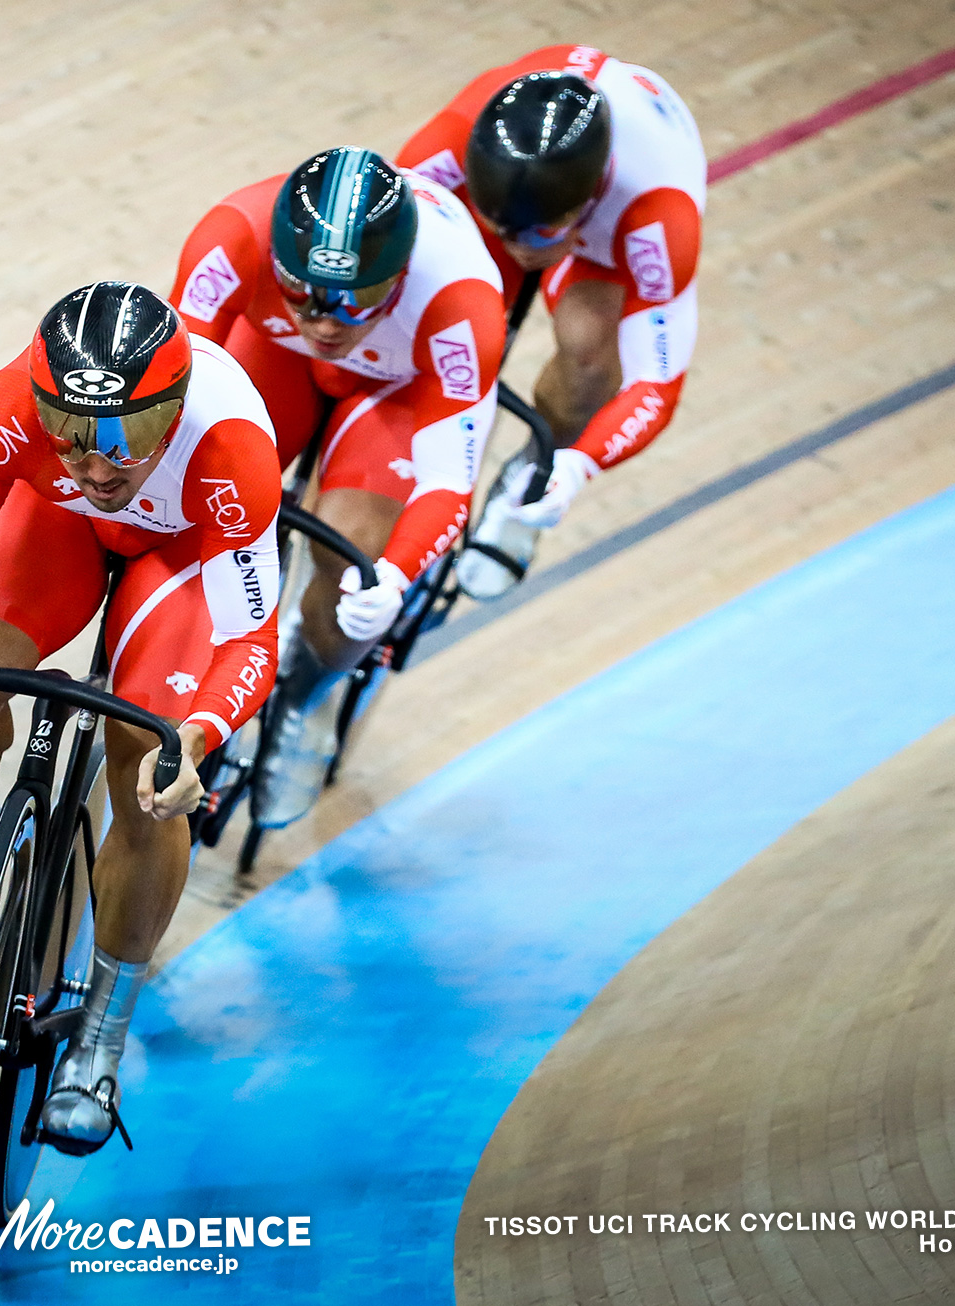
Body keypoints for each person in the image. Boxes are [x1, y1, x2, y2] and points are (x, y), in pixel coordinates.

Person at [0, 281, 281, 1156]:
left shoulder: (229, 446)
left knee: (149, 764)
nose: (95, 468)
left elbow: (249, 641)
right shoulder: (12, 404)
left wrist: (197, 735)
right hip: (52, 531)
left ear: (170, 409)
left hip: (179, 558)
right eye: (74, 442)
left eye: (121, 449)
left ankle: (101, 1034)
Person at [169, 147, 506, 826]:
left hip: (396, 388)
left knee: (352, 560)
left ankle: (308, 692)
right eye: (305, 294)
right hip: (275, 359)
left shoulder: (461, 301)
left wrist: (393, 575)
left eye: (357, 301)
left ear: (402, 276)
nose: (327, 322)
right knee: (191, 498)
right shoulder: (232, 235)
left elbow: (449, 481)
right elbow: (173, 389)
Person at [395, 46, 706, 597]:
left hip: (601, 242)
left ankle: (530, 472)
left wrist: (578, 465)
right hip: (530, 204)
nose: (515, 249)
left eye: (536, 237)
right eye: (499, 229)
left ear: (581, 207)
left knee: (588, 357)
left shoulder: (657, 211)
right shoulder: (451, 141)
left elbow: (655, 384)